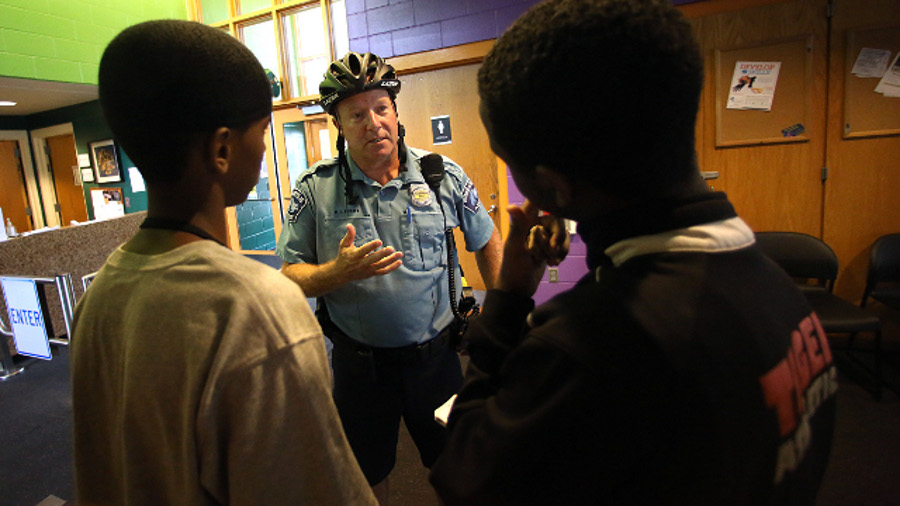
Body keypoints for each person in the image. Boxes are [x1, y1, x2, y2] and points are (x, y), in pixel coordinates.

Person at [429, 0, 838, 504]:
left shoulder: (584, 347)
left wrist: (508, 299)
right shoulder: (780, 289)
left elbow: (462, 476)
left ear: (552, 189)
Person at [71, 20, 376, 505]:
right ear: (221, 148)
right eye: (260, 131)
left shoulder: (95, 301)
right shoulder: (256, 309)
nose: (262, 147)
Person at [275, 51, 503, 502]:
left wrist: (502, 319)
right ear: (339, 124)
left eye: (381, 108)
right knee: (362, 478)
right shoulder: (314, 189)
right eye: (356, 114)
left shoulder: (442, 176)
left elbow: (487, 239)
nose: (372, 122)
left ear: (395, 112)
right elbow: (287, 276)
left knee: (461, 468)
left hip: (437, 363)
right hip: (360, 369)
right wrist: (335, 273)